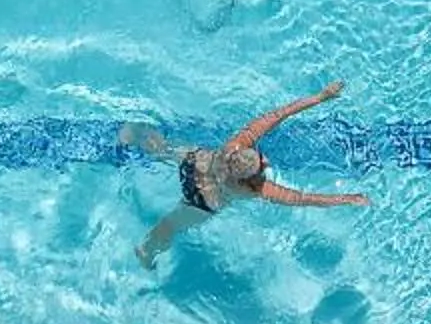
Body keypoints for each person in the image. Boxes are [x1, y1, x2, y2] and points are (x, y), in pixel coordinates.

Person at [124, 83, 368, 267]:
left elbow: (277, 115)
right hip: (202, 201)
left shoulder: (234, 146)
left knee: (166, 149)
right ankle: (146, 253)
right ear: (250, 178)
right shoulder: (256, 188)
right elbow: (304, 198)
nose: (266, 160)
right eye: (263, 164)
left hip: (194, 164)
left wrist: (320, 96)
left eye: (260, 157)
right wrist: (346, 199)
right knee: (169, 226)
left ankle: (136, 135)